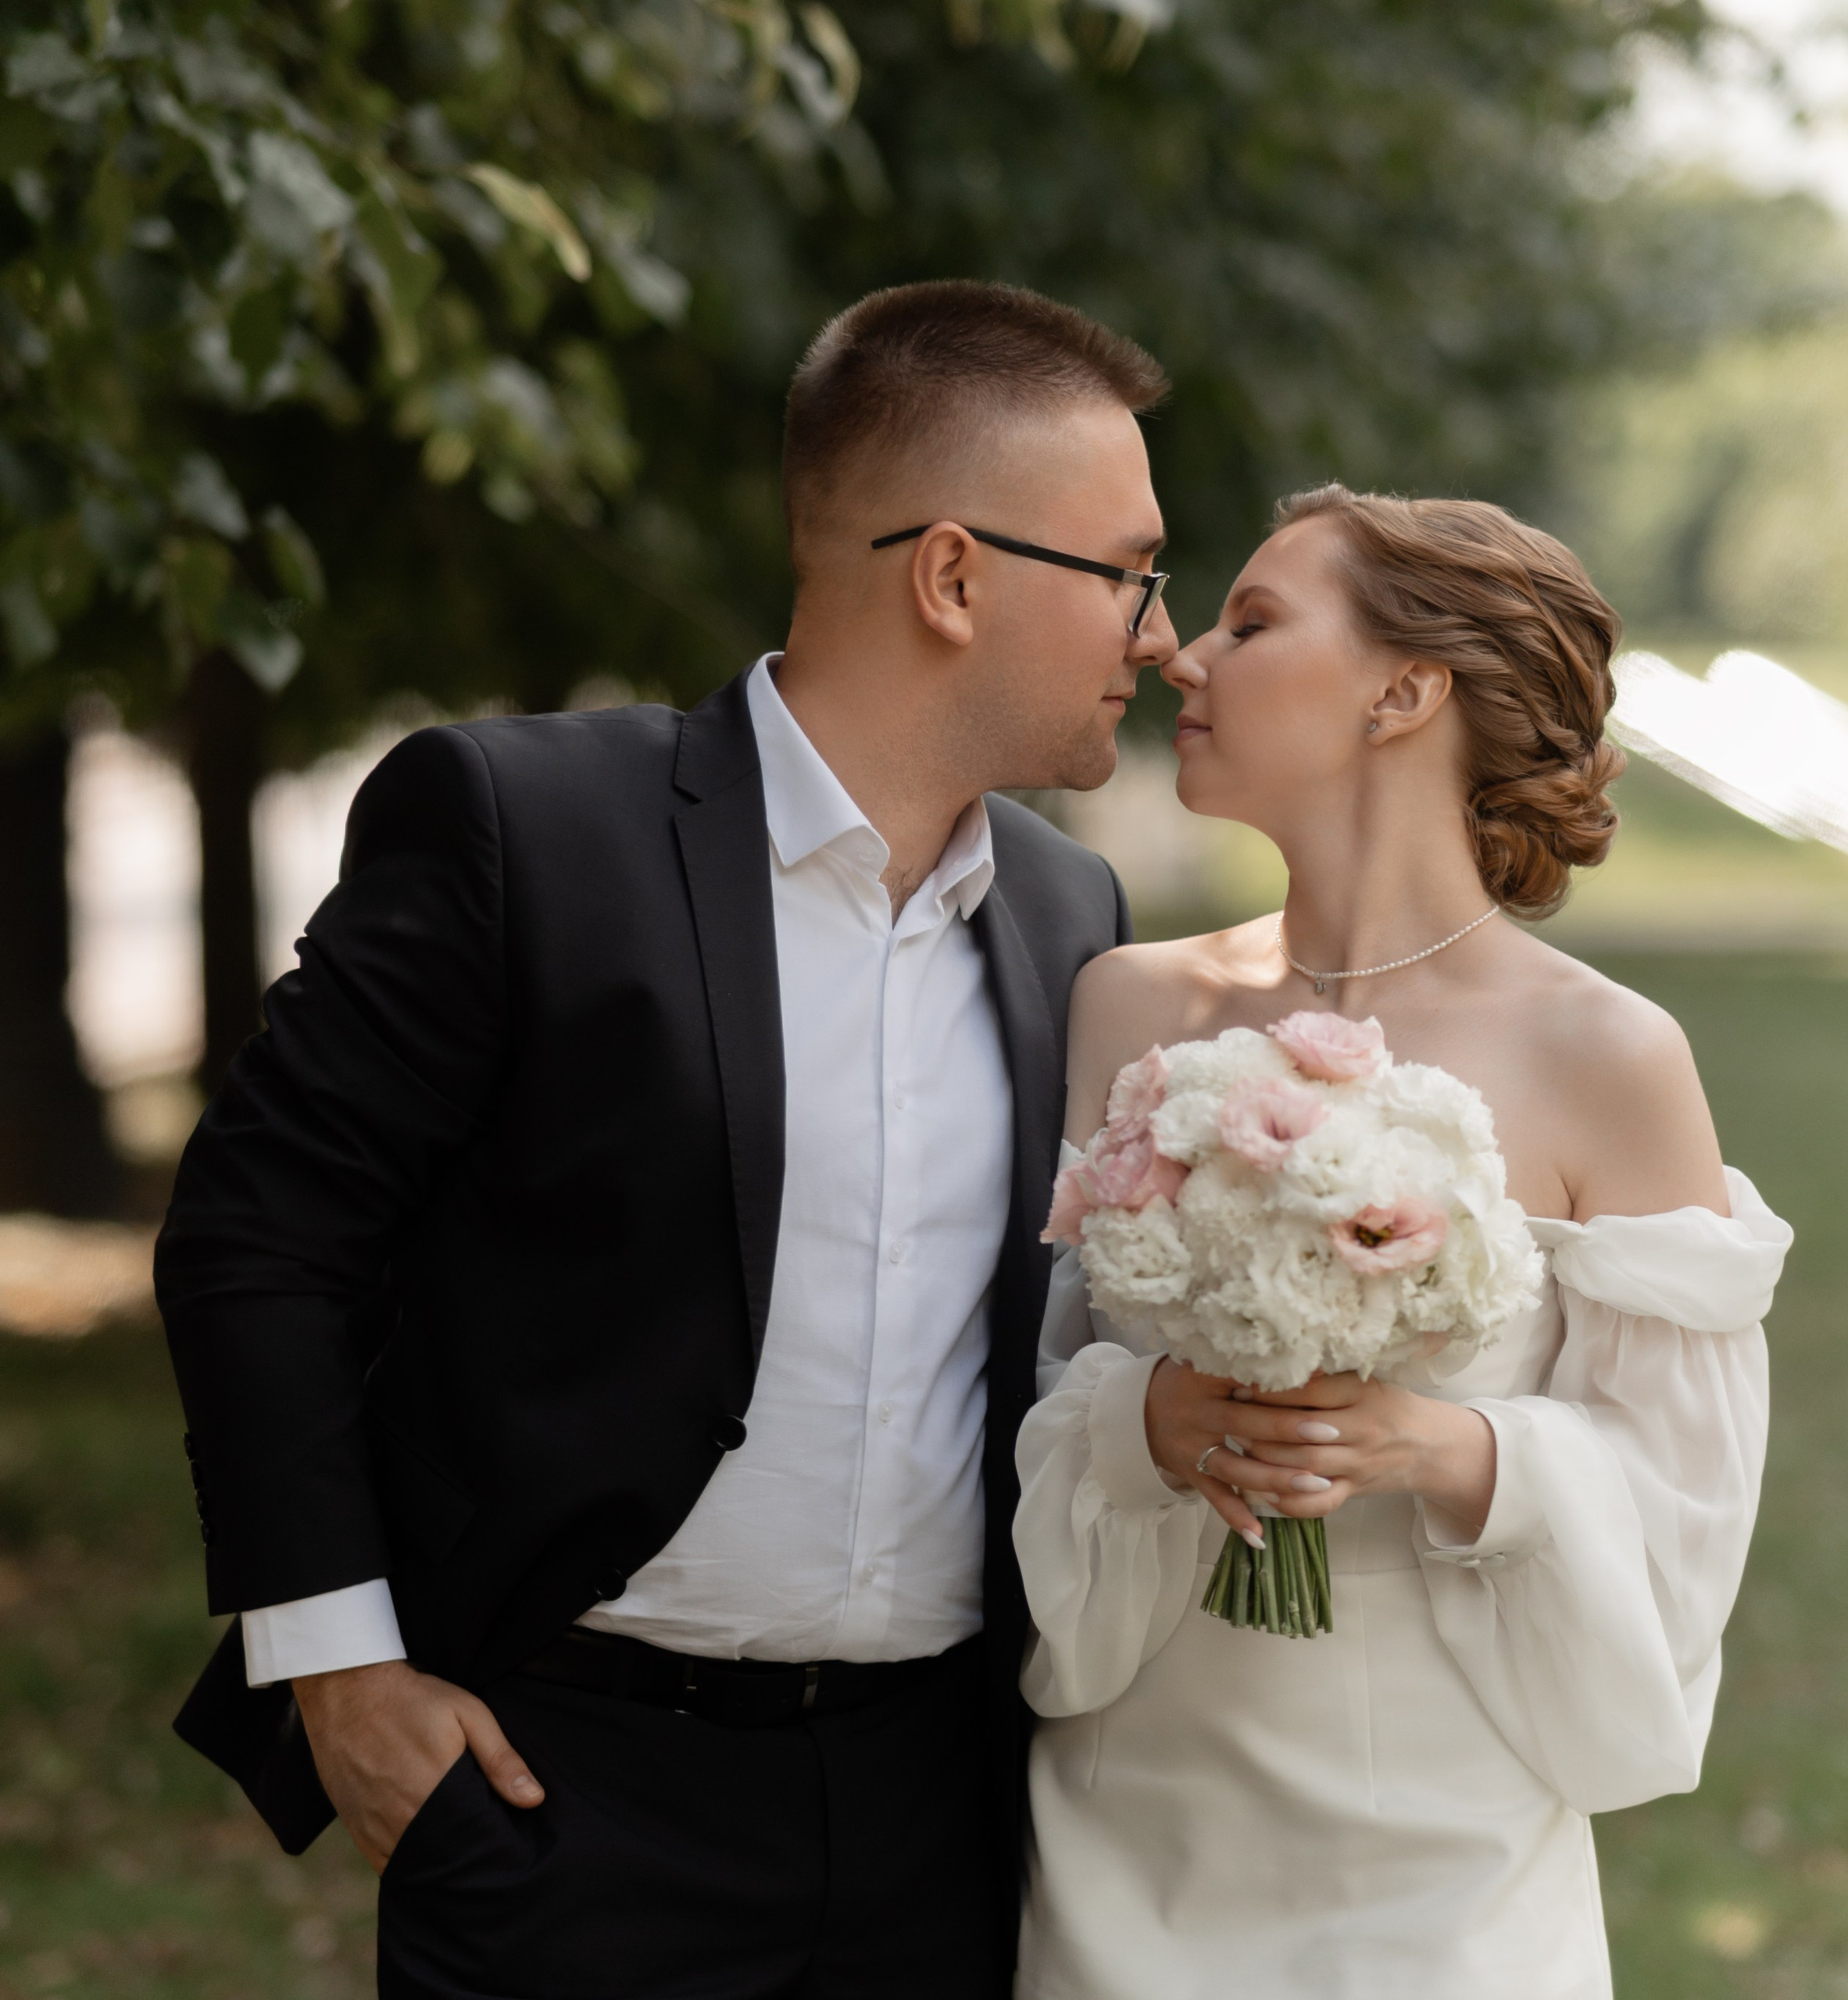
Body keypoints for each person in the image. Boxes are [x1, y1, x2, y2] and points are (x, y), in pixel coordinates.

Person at [155, 278, 1179, 2000]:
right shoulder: (518, 825)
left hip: (940, 1815)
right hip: (562, 1799)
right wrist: (339, 1671)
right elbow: (259, 1237)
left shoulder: (1074, 915)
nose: (1158, 631)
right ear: (951, 573)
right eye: (1130, 569)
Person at [1013, 484, 1793, 1998]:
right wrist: (1147, 1420)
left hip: (1439, 1893)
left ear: (1402, 687)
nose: (1184, 657)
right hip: (1125, 1842)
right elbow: (1024, 1395)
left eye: (1250, 622)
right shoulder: (1124, 1004)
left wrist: (1446, 1447)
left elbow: (1681, 1523)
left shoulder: (1608, 1055)